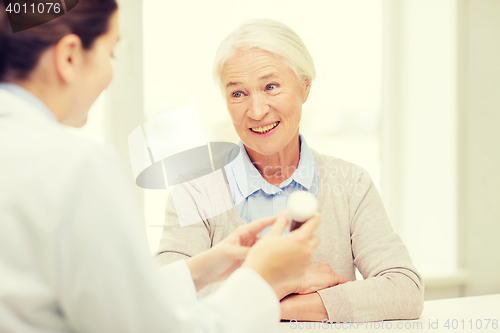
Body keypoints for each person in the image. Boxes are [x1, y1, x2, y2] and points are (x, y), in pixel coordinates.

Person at [0, 3, 322, 332]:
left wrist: (202, 270)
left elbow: (111, 300)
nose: (110, 75)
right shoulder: (76, 167)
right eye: (110, 53)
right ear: (69, 57)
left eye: (270, 86)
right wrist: (261, 280)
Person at [156, 18, 425, 322]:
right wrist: (288, 283)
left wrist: (272, 307)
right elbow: (165, 297)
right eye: (238, 94)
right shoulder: (195, 189)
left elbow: (404, 290)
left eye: (271, 87)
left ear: (305, 86)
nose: (256, 111)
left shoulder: (351, 184)